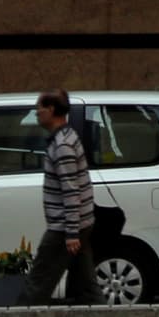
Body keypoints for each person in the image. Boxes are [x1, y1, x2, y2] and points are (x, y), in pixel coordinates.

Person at [17, 89, 97, 305]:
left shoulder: (62, 145)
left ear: (51, 110)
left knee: (39, 279)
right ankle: (103, 316)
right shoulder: (66, 137)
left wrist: (71, 232)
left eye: (39, 108)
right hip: (79, 223)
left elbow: (71, 190)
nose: (36, 113)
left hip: (65, 227)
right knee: (85, 281)